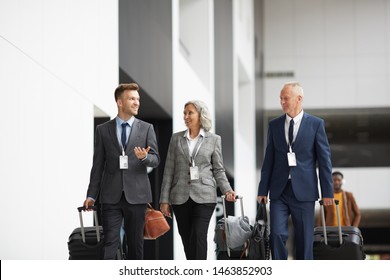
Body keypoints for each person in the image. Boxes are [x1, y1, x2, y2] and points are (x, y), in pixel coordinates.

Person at [257, 81, 334, 260]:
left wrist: (327, 192)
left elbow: (324, 161)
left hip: (305, 191)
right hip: (279, 190)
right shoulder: (274, 125)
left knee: (305, 239)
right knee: (276, 234)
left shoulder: (316, 124)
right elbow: (269, 160)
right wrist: (263, 190)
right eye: (281, 99)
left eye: (286, 98)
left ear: (299, 99)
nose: (282, 102)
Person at [83, 83, 160, 260]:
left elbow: (155, 160)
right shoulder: (103, 130)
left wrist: (144, 158)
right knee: (110, 242)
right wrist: (91, 196)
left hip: (137, 196)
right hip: (110, 196)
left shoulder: (147, 128)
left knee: (135, 244)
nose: (137, 102)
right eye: (132, 99)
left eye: (138, 99)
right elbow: (98, 165)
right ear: (120, 102)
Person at [159, 100, 235, 260]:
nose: (186, 116)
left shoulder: (214, 139)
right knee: (187, 239)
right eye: (184, 113)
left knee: (199, 235)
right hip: (179, 196)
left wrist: (227, 189)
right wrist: (164, 200)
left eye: (190, 113)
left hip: (204, 196)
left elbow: (218, 169)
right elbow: (168, 170)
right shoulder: (176, 139)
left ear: (200, 115)